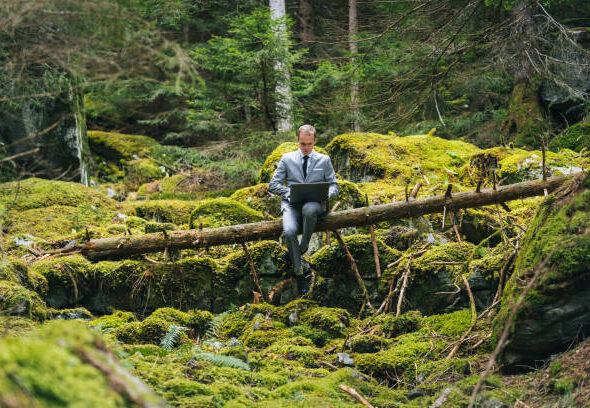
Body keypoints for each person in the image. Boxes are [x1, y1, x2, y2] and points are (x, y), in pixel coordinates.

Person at [269, 124, 339, 295]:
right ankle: (300, 272)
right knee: (290, 231)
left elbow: (334, 186)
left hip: (314, 204)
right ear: (297, 141)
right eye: (302, 144)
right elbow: (273, 185)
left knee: (309, 209)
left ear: (315, 141)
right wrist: (290, 193)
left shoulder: (324, 160)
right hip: (291, 204)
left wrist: (325, 194)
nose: (306, 148)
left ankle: (301, 248)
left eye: (309, 144)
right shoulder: (287, 158)